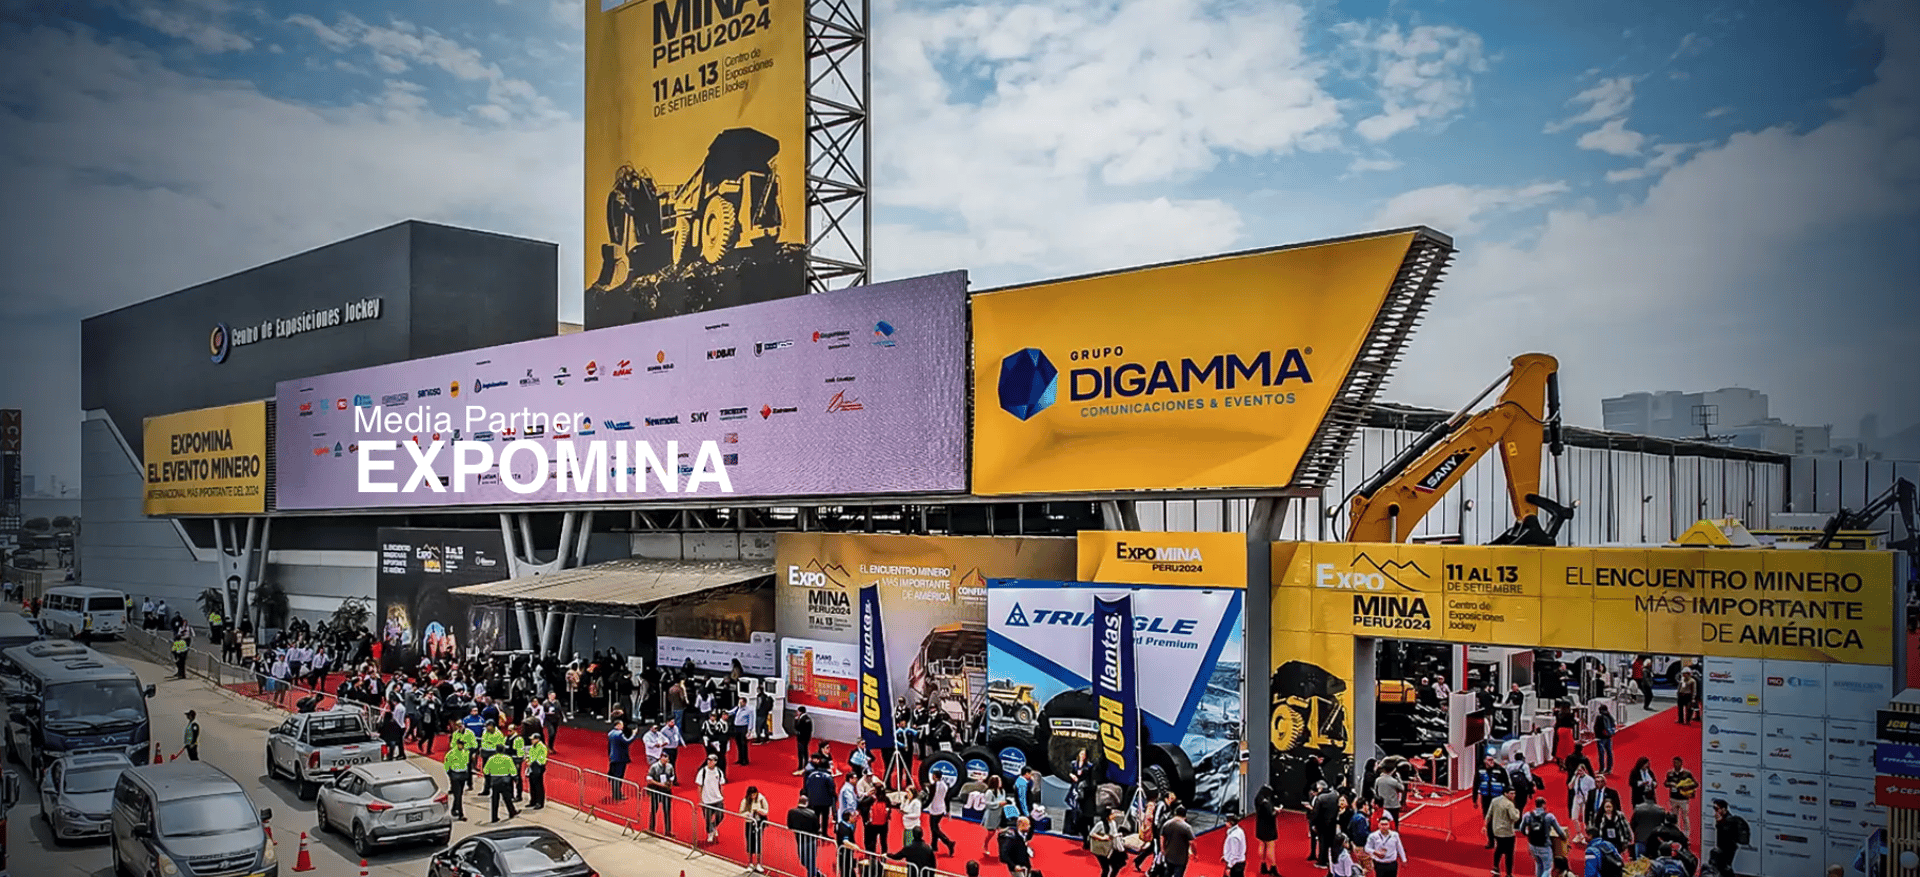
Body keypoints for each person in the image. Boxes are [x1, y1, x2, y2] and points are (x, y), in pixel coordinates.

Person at [1519, 796, 1563, 877]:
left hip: (1532, 845)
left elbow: (1521, 829)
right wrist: (1563, 838)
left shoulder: (1528, 815)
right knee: (1547, 868)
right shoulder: (1549, 816)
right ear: (1544, 805)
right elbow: (1559, 831)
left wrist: (1527, 834)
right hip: (1545, 846)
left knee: (1538, 864)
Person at [1475, 754, 1512, 848]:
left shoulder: (1500, 770)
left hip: (1497, 798)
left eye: (1492, 759)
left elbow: (1507, 784)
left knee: (1499, 820)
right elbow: (1475, 784)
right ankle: (1490, 841)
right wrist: (1474, 799)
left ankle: (1500, 841)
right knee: (1488, 820)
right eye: (1489, 760)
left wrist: (1508, 798)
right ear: (1484, 761)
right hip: (1486, 798)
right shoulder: (1480, 770)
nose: (1491, 761)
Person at [1709, 799, 1748, 877]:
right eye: (1714, 809)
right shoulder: (1722, 819)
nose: (1715, 812)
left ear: (1724, 809)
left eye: (1717, 809)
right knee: (1721, 869)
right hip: (1722, 848)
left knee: (1725, 869)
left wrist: (1720, 823)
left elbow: (1728, 835)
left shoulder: (1729, 820)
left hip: (1727, 849)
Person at [1487, 788, 1521, 877]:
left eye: (1514, 793)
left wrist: (1485, 826)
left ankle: (1495, 868)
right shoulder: (1509, 804)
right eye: (1511, 793)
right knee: (1509, 853)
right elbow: (1514, 817)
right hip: (1507, 832)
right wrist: (1518, 812)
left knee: (1498, 849)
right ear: (1505, 793)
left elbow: (1489, 815)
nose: (1513, 795)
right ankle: (1509, 873)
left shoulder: (1494, 801)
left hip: (1497, 831)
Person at [789, 794, 824, 877]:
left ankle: (814, 873)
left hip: (800, 839)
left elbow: (790, 825)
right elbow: (817, 828)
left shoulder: (792, 812)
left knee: (803, 860)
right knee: (810, 861)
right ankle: (815, 873)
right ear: (807, 803)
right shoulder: (812, 814)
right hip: (811, 840)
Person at [482, 746, 519, 823]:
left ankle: (494, 817)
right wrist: (515, 778)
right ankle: (512, 812)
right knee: (507, 798)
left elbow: (486, 771)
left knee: (494, 799)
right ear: (503, 750)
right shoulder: (507, 758)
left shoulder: (491, 759)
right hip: (505, 780)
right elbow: (512, 770)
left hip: (495, 781)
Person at [697, 753, 728, 843]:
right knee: (707, 818)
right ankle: (710, 832)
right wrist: (701, 799)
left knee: (720, 816)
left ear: (715, 762)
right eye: (708, 760)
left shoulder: (718, 772)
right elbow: (699, 786)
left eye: (712, 760)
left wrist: (722, 795)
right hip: (707, 800)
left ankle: (713, 826)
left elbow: (721, 785)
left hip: (717, 798)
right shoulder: (703, 772)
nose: (710, 762)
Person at [926, 769, 957, 855]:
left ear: (935, 776)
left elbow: (930, 798)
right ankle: (934, 846)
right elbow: (947, 798)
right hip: (941, 808)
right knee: (934, 828)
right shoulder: (945, 785)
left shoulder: (933, 786)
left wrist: (923, 806)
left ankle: (948, 842)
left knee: (934, 828)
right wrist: (947, 810)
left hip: (935, 809)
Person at [1663, 757, 1697, 835]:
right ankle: (1676, 833)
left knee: (1685, 817)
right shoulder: (1670, 773)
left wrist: (1686, 787)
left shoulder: (1687, 773)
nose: (1676, 765)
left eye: (1677, 763)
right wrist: (1670, 784)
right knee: (1675, 817)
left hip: (1683, 799)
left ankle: (1686, 834)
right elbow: (1665, 783)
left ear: (1681, 763)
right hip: (1673, 798)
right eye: (1674, 763)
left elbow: (1695, 784)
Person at [1159, 805, 1195, 877]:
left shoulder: (1167, 824)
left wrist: (1162, 848)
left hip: (1169, 853)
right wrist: (1195, 853)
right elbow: (1192, 842)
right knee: (1178, 874)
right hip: (1181, 857)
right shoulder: (1187, 827)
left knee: (1168, 871)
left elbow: (1162, 837)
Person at [1090, 805, 1126, 877]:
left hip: (1111, 848)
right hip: (1101, 849)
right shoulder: (1100, 824)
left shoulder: (1113, 823)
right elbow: (1091, 833)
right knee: (1106, 869)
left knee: (1116, 866)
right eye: (1112, 814)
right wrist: (1102, 838)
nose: (1114, 815)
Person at [742, 785, 770, 873]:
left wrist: (759, 810)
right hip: (749, 823)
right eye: (751, 795)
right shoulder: (745, 800)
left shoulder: (761, 799)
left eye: (754, 794)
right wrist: (747, 814)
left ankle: (758, 863)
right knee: (749, 843)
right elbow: (741, 812)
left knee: (758, 843)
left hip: (758, 823)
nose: (753, 796)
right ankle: (750, 863)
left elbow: (766, 811)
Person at [1253, 784, 1280, 876]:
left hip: (1260, 825)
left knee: (1262, 844)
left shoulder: (1258, 799)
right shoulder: (1266, 802)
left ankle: (1263, 865)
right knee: (1270, 847)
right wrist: (1276, 812)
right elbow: (1270, 814)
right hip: (1269, 827)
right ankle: (1273, 867)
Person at [606, 719, 637, 800]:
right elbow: (627, 741)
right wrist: (633, 734)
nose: (623, 727)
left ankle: (615, 793)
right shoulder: (619, 734)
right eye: (622, 725)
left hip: (613, 758)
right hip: (620, 758)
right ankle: (617, 795)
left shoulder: (610, 733)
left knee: (614, 776)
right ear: (618, 725)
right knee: (618, 777)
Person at [443, 735, 471, 821]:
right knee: (458, 795)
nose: (461, 746)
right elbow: (447, 765)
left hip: (462, 775)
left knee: (458, 795)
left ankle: (454, 809)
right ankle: (461, 814)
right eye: (460, 744)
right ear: (457, 744)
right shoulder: (451, 753)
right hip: (455, 775)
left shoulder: (465, 752)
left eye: (463, 744)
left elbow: (467, 763)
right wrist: (451, 775)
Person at [647, 751, 676, 834]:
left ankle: (668, 831)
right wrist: (660, 784)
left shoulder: (670, 767)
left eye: (667, 759)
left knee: (667, 811)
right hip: (656, 791)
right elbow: (649, 779)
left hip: (666, 792)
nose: (666, 760)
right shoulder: (654, 767)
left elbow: (672, 777)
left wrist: (669, 784)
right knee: (654, 810)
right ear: (661, 758)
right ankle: (651, 829)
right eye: (664, 758)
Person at [524, 722, 549, 809]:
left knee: (538, 786)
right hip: (532, 767)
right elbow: (529, 755)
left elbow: (541, 759)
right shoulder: (532, 747)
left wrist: (532, 762)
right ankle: (533, 801)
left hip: (538, 767)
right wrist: (527, 760)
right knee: (532, 785)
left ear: (537, 739)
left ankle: (539, 802)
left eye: (533, 739)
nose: (531, 740)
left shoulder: (542, 747)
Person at [1221, 804, 1247, 877]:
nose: (1225, 823)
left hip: (1235, 865)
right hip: (1237, 863)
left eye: (1227, 822)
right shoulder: (1239, 830)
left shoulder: (1234, 836)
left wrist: (1229, 866)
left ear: (1230, 823)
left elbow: (1234, 853)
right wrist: (1225, 856)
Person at [1593, 704, 1617, 774]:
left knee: (1601, 753)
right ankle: (1609, 769)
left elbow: (1596, 727)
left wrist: (1596, 735)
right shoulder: (1610, 716)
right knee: (1609, 752)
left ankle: (1601, 769)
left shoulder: (1599, 717)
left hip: (1601, 737)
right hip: (1608, 737)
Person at [794, 706, 815, 773]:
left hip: (801, 738)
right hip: (806, 738)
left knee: (801, 753)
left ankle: (800, 766)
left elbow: (797, 728)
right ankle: (806, 765)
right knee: (805, 752)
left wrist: (796, 720)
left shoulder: (801, 719)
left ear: (800, 711)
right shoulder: (808, 718)